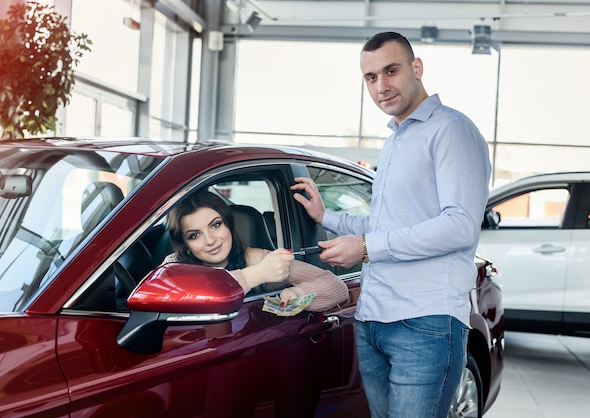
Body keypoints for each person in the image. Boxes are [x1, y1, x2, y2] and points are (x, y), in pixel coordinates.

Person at [291, 31, 491, 418]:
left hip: (425, 322)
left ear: (416, 68)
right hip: (374, 319)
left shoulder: (450, 130)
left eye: (391, 70)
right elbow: (387, 223)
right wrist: (326, 217)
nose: (381, 86)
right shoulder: (398, 137)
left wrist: (365, 248)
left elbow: (460, 226)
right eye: (370, 77)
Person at [163, 189, 348, 312]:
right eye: (194, 235)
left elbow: (336, 287)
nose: (210, 240)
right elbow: (193, 296)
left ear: (229, 224)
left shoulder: (257, 259)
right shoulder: (173, 266)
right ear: (184, 243)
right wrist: (257, 275)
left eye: (216, 225)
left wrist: (299, 293)